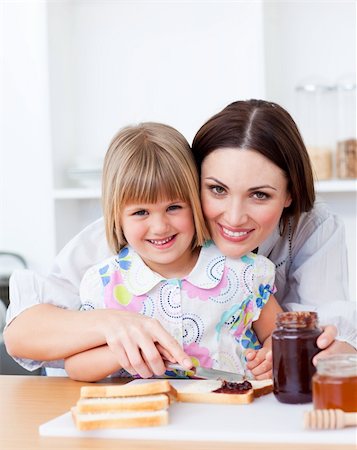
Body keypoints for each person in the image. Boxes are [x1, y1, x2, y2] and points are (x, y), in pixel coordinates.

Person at [4, 101, 356, 378]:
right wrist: (117, 328)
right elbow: (24, 333)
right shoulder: (120, 246)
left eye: (260, 195)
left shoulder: (274, 256)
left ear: (290, 194)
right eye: (217, 189)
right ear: (194, 181)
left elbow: (322, 333)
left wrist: (309, 351)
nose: (234, 217)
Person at [65, 122, 282, 381]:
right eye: (140, 212)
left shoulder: (244, 271)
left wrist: (271, 356)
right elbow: (76, 366)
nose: (159, 227)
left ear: (196, 202)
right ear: (116, 217)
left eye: (174, 208)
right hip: (146, 418)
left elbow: (277, 334)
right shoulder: (105, 284)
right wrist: (126, 352)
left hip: (231, 413)